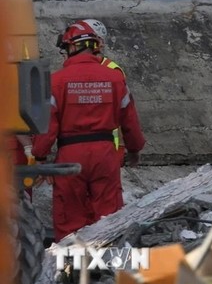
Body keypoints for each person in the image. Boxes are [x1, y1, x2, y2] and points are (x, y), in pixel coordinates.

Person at [33, 20, 146, 242]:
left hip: (70, 157)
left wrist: (40, 156)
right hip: (105, 154)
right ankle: (109, 266)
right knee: (109, 213)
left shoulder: (56, 81)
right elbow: (130, 120)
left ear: (72, 47)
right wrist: (134, 149)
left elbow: (47, 125)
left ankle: (70, 267)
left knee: (69, 214)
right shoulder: (115, 78)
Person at [82, 18, 127, 166]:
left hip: (106, 147)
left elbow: (122, 113)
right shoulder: (73, 68)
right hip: (79, 145)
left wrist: (120, 146)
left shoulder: (113, 71)